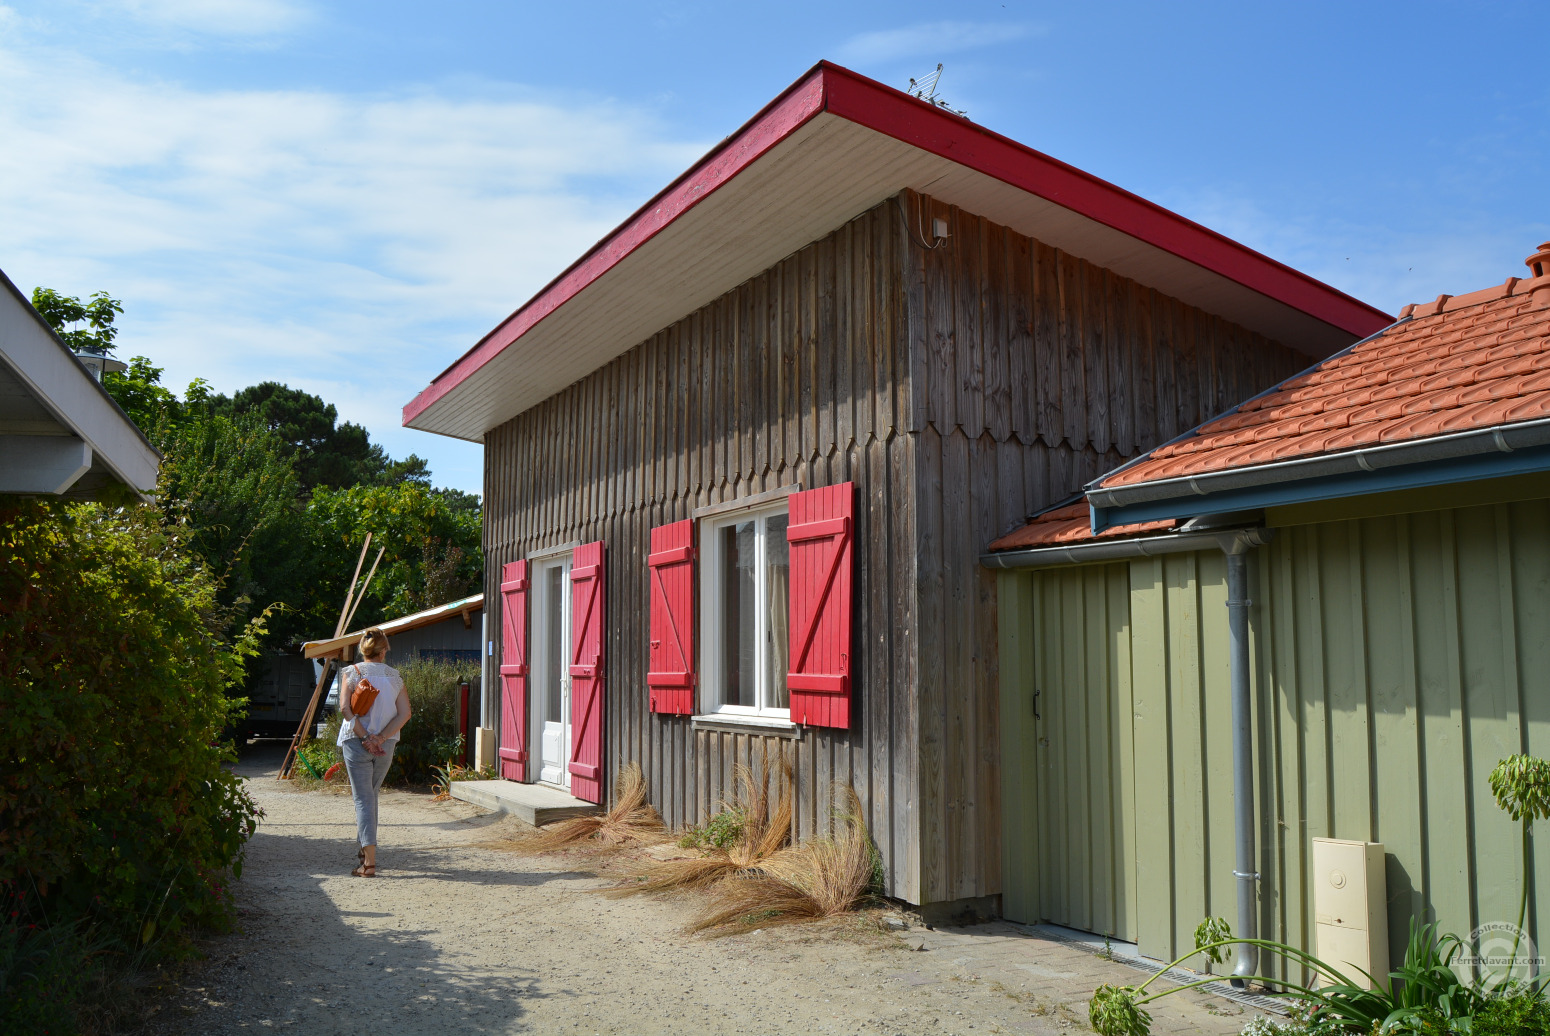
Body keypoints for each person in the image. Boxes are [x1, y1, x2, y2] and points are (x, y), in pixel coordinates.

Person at [337, 627, 411, 877]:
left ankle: (369, 863)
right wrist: (380, 738)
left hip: (356, 741)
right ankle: (363, 854)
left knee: (363, 799)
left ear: (363, 649)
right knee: (371, 797)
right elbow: (405, 714)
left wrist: (366, 737)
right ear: (384, 650)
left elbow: (346, 709)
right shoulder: (395, 677)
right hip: (385, 744)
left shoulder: (351, 672)